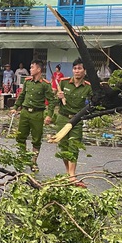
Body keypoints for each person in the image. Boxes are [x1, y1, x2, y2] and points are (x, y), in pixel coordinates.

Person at [52, 58, 93, 186]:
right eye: (75, 68)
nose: (77, 71)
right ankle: (69, 173)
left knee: (74, 146)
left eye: (79, 68)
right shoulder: (64, 83)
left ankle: (72, 175)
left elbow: (93, 103)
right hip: (62, 118)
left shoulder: (88, 87)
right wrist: (58, 97)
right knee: (63, 146)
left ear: (84, 71)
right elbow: (55, 100)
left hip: (77, 120)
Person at [11, 59, 55, 172]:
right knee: (20, 137)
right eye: (30, 67)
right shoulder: (27, 81)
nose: (30, 69)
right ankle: (23, 158)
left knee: (36, 139)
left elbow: (51, 101)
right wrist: (15, 107)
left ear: (39, 69)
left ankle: (34, 162)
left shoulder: (45, 84)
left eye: (32, 67)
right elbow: (22, 95)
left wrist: (49, 115)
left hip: (37, 113)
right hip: (25, 112)